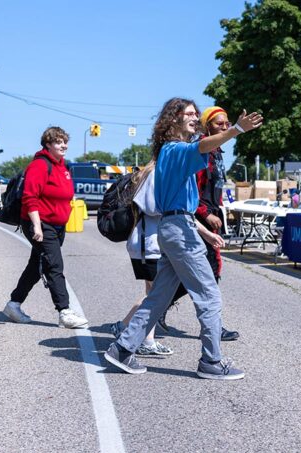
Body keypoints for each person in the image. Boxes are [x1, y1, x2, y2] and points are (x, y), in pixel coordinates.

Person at [104, 98, 262, 379]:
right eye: (188, 114)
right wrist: (236, 128)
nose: (194, 117)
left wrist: (205, 233)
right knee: (209, 296)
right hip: (178, 231)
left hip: (177, 227)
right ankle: (211, 362)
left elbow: (179, 205)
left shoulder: (171, 153)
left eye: (195, 114)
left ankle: (122, 349)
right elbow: (204, 146)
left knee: (158, 298)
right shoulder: (176, 149)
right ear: (172, 120)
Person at [157, 106, 239, 342]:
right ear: (207, 127)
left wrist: (221, 209)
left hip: (204, 217)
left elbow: (216, 188)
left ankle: (128, 337)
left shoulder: (218, 154)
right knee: (208, 281)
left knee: (188, 278)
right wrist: (204, 214)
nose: (224, 127)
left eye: (227, 123)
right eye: (219, 124)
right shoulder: (197, 151)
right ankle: (213, 345)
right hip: (192, 218)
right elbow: (191, 188)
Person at [3, 127, 89, 329]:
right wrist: (36, 227)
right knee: (54, 265)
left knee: (36, 266)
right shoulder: (40, 166)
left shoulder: (63, 167)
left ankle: (14, 304)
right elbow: (30, 197)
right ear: (48, 144)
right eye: (58, 142)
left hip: (57, 225)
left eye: (65, 141)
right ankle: (64, 311)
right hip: (40, 223)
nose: (63, 145)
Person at [108, 161, 176, 356]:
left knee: (153, 294)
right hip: (149, 245)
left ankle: (146, 339)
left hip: (148, 244)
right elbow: (151, 206)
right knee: (156, 297)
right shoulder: (155, 173)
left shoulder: (153, 172)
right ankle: (124, 327)